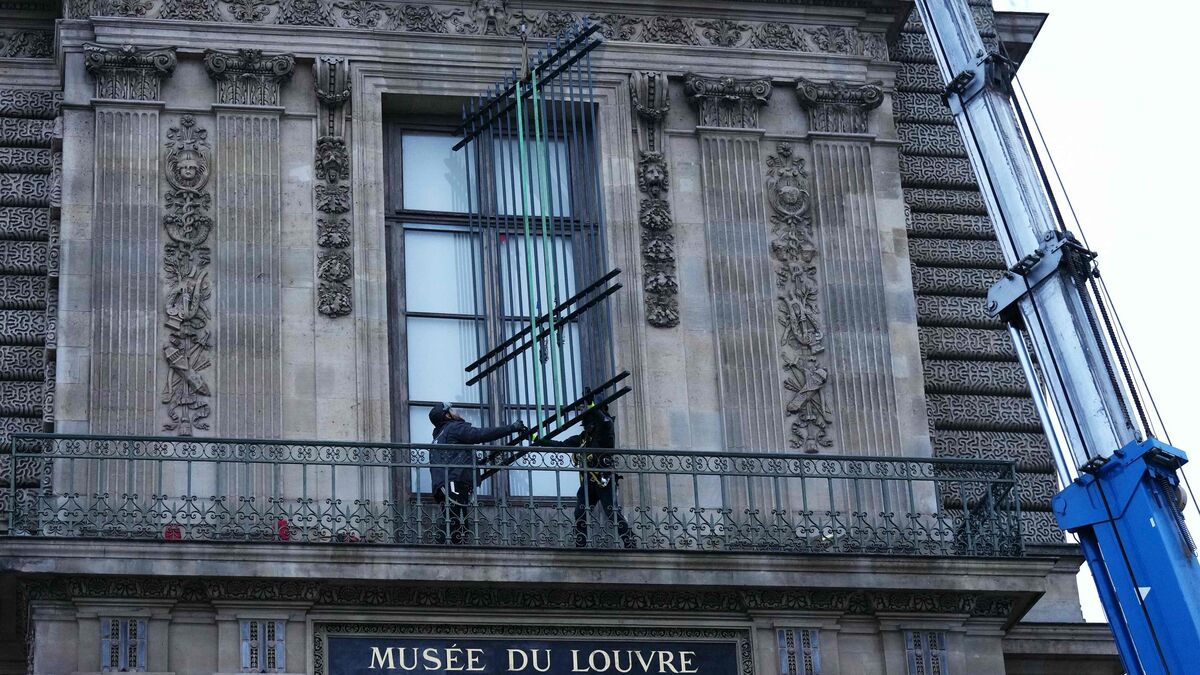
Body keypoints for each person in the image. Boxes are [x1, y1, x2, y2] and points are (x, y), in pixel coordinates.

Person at [534, 394, 635, 549]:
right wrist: (537, 440)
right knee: (580, 512)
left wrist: (591, 405)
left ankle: (630, 541)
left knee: (611, 512)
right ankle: (580, 544)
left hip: (604, 479)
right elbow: (561, 445)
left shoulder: (606, 431)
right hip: (589, 481)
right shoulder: (582, 438)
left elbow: (604, 421)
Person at [428, 402, 526, 544]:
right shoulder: (454, 428)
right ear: (447, 415)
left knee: (456, 519)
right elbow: (480, 435)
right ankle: (442, 551)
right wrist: (511, 428)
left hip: (444, 484)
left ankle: (453, 549)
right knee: (454, 519)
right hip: (455, 481)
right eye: (452, 410)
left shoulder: (438, 436)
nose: (456, 412)